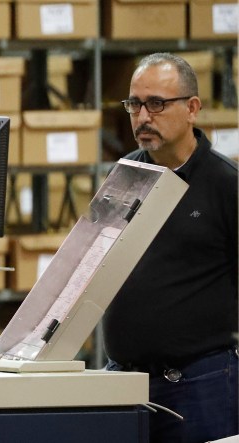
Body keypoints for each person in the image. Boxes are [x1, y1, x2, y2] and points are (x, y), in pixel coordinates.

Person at [102, 52, 238, 443]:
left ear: (192, 108)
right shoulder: (126, 173)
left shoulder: (226, 185)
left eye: (157, 104)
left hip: (200, 385)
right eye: (135, 104)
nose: (143, 117)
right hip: (125, 381)